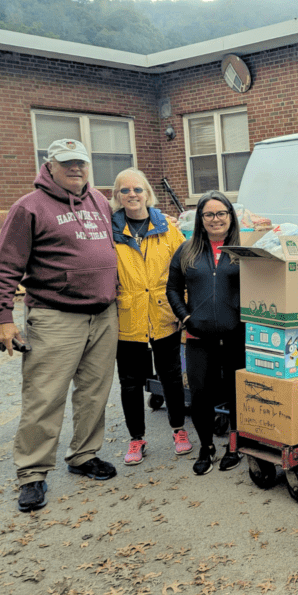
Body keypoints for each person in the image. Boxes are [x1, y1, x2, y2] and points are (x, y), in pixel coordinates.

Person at [0, 139, 119, 512]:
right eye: (68, 163)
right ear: (50, 166)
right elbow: (5, 266)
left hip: (104, 313)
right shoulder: (28, 208)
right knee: (44, 396)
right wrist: (3, 316)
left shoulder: (99, 202)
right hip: (55, 316)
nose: (76, 169)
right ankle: (32, 473)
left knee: (94, 392)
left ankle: (83, 455)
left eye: (81, 163)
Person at [110, 168, 191, 465]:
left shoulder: (167, 228)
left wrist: (184, 307)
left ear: (148, 193)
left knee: (170, 375)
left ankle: (179, 430)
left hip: (163, 312)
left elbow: (185, 266)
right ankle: (136, 439)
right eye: (125, 190)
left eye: (137, 189)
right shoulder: (111, 231)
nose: (132, 195)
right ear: (117, 197)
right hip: (127, 315)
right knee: (130, 381)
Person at [166, 191, 245, 476]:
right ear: (201, 219)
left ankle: (234, 446)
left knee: (237, 393)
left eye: (221, 213)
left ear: (230, 216)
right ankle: (206, 446)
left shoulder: (242, 251)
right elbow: (172, 289)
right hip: (198, 337)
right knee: (200, 394)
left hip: (236, 336)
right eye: (209, 214)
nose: (216, 219)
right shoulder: (187, 250)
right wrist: (186, 318)